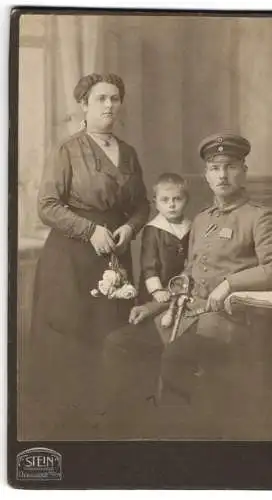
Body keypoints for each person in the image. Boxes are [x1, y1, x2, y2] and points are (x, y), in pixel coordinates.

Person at [120, 133, 272, 439]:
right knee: (120, 344)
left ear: (243, 170)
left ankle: (177, 443)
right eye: (215, 168)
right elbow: (189, 276)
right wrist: (154, 305)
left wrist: (230, 283)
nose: (222, 175)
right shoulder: (202, 220)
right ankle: (134, 435)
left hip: (229, 323)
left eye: (230, 167)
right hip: (186, 314)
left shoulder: (259, 219)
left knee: (176, 357)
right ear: (206, 175)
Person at [23, 73, 150, 439]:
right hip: (71, 257)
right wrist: (89, 230)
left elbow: (141, 204)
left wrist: (131, 227)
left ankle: (107, 422)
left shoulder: (128, 153)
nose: (109, 105)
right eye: (100, 99)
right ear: (84, 104)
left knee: (110, 335)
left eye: (115, 98)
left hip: (115, 253)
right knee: (73, 336)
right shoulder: (68, 149)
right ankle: (68, 423)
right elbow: (47, 206)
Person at [138, 172, 191, 304]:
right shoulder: (153, 230)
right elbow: (148, 264)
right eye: (165, 200)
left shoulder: (191, 227)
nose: (171, 204)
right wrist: (156, 290)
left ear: (186, 200)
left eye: (177, 199)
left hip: (182, 286)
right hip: (158, 290)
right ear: (156, 202)